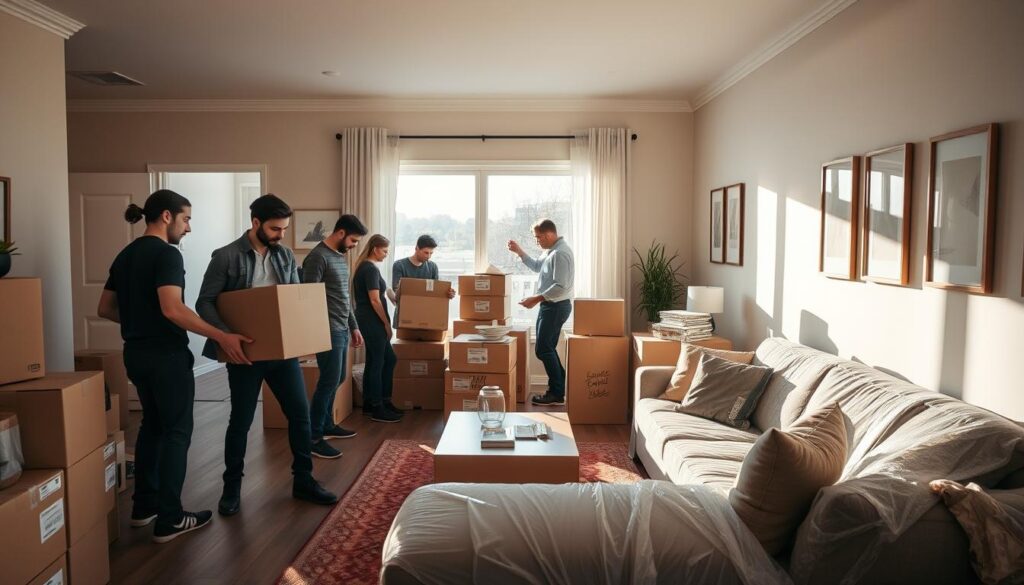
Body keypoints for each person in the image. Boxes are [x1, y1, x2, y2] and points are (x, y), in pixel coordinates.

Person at [97, 189, 251, 543]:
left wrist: (138, 320)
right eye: (186, 219)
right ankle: (170, 518)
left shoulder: (125, 255)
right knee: (177, 433)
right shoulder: (166, 254)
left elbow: (105, 308)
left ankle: (143, 507)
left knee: (152, 425)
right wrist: (221, 335)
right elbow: (172, 308)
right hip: (165, 356)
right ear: (166, 216)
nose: (189, 228)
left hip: (134, 354)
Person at [197, 193, 338, 516]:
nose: (281, 235)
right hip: (244, 354)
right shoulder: (226, 257)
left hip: (281, 353)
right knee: (241, 422)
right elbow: (205, 302)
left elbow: (291, 300)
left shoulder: (285, 255)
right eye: (275, 229)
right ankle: (231, 488)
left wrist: (300, 341)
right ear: (255, 223)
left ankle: (303, 480)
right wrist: (225, 336)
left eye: (284, 228)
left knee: (300, 416)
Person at [301, 214, 368, 459]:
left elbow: (344, 298)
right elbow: (308, 298)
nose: (354, 245)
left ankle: (327, 424)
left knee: (338, 377)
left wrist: (354, 326)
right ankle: (313, 437)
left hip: (341, 327)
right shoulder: (317, 258)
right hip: (327, 329)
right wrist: (316, 330)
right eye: (352, 240)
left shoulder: (339, 258)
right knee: (329, 380)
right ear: (340, 233)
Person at [507, 219, 575, 406]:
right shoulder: (551, 252)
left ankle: (556, 393)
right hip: (550, 306)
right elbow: (537, 266)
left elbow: (560, 287)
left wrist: (535, 299)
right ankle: (560, 387)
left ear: (549, 234)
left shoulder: (560, 254)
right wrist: (519, 252)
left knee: (543, 349)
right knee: (546, 348)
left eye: (538, 237)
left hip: (556, 307)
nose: (537, 241)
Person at [352, 234, 402, 423]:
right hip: (371, 321)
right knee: (381, 361)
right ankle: (378, 406)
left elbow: (382, 291)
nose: (387, 254)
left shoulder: (367, 267)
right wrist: (386, 324)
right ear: (375, 249)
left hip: (367, 320)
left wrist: (391, 295)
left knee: (379, 360)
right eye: (385, 251)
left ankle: (373, 404)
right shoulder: (369, 269)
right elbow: (374, 299)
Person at [390, 234, 456, 328]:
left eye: (431, 253)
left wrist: (447, 293)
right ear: (416, 248)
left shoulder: (432, 267)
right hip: (405, 317)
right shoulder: (400, 265)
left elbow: (435, 294)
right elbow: (397, 291)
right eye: (426, 253)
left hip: (427, 317)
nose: (429, 256)